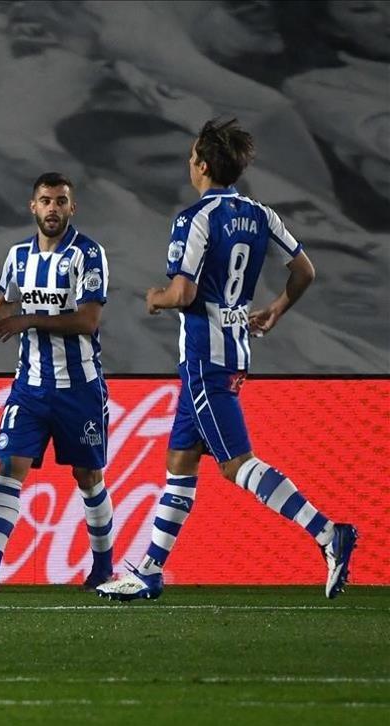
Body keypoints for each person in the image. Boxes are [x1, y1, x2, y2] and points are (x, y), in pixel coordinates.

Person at [97, 117, 358, 601]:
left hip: (204, 356)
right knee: (180, 462)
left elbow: (183, 291)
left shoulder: (195, 219)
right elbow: (305, 270)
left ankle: (328, 534)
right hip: (233, 349)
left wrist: (156, 297)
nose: (189, 163)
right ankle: (151, 570)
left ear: (201, 165)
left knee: (237, 464)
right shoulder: (260, 215)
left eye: (192, 156)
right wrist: (276, 308)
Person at [0, 173, 117, 592]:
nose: (54, 208)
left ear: (72, 208)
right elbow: (6, 300)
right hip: (30, 386)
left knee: (88, 476)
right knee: (10, 468)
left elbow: (88, 319)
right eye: (46, 201)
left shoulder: (87, 254)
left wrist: (29, 319)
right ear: (33, 207)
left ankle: (103, 569)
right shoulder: (19, 256)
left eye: (61, 201)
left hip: (79, 388)